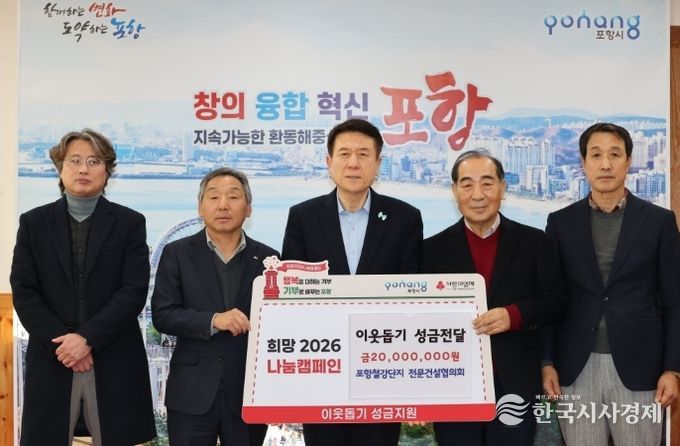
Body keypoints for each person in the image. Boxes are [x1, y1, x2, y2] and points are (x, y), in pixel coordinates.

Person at [281, 118, 423, 446]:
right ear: (329, 161)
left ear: (378, 163)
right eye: (344, 154)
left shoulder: (405, 217)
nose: (353, 163)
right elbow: (292, 295)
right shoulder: (303, 216)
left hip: (383, 366)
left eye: (363, 154)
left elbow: (413, 294)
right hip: (322, 365)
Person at [10, 129, 156, 445]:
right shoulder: (33, 223)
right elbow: (24, 290)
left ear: (107, 171)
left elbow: (132, 291)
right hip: (53, 356)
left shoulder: (130, 223)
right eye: (74, 160)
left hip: (114, 356)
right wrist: (65, 345)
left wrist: (87, 339)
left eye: (93, 161)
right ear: (60, 168)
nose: (83, 169)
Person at [542, 122, 680, 445]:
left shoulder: (659, 222)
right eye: (596, 155)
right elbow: (550, 299)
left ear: (629, 161)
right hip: (576, 367)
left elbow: (675, 301)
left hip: (641, 367)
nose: (605, 164)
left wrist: (672, 368)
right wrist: (547, 362)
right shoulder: (560, 223)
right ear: (583, 163)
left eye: (615, 154)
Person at [421, 150, 565, 446]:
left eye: (487, 183)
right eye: (467, 184)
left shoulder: (534, 242)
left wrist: (514, 315)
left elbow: (555, 301)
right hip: (454, 382)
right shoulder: (430, 250)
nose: (477, 195)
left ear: (503, 187)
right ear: (454, 190)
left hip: (515, 382)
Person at [152, 167, 279, 446]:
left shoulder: (269, 259)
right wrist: (213, 320)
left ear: (248, 208)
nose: (223, 205)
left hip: (248, 392)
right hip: (191, 392)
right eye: (213, 197)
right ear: (200, 207)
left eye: (233, 197)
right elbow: (163, 315)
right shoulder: (177, 253)